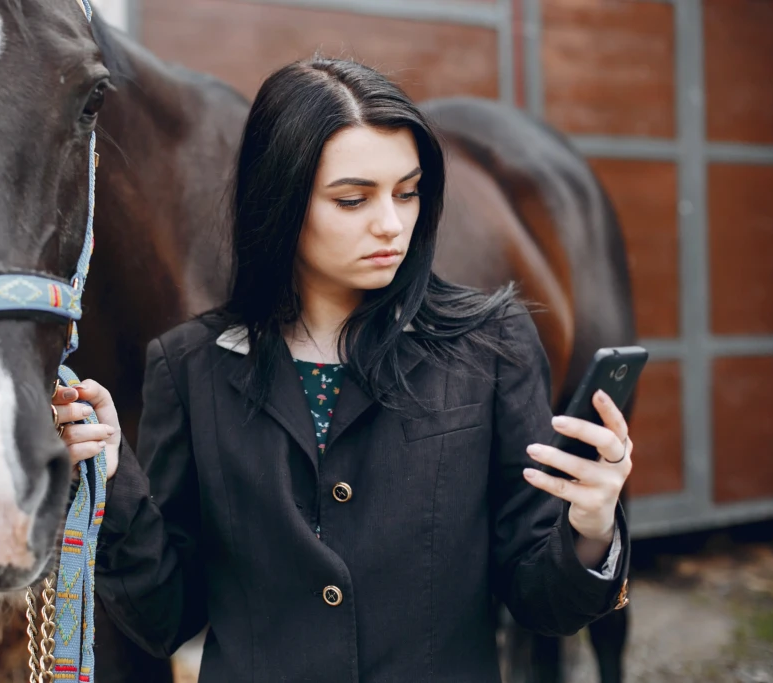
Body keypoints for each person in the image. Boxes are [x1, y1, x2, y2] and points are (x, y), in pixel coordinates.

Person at [52, 57, 633, 682]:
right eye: (353, 199)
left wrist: (592, 526)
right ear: (279, 201)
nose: (391, 224)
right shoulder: (189, 366)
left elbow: (542, 601)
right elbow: (168, 619)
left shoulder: (491, 346)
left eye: (407, 193)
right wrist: (112, 481)